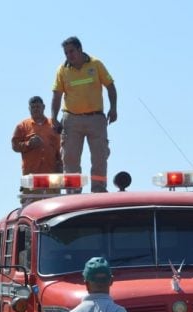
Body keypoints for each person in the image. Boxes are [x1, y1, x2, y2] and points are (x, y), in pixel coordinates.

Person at [51, 36, 117, 194]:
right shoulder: (62, 70)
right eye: (66, 53)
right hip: (72, 120)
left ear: (80, 49)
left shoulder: (96, 64)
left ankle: (99, 190)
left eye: (72, 51)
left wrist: (113, 108)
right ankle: (73, 192)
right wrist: (53, 117)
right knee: (71, 159)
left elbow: (110, 86)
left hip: (96, 119)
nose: (69, 55)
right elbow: (57, 95)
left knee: (99, 157)